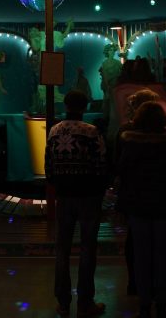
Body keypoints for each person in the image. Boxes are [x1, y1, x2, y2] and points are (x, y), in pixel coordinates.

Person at [45, 90, 108, 317]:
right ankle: (85, 302)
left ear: (66, 104)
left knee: (62, 248)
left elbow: (49, 168)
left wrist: (60, 185)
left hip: (64, 196)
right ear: (85, 106)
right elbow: (101, 165)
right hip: (89, 197)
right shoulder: (91, 132)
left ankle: (63, 302)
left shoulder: (54, 131)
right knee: (87, 248)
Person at [117, 102, 166, 318]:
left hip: (138, 206)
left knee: (142, 256)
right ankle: (161, 304)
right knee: (162, 256)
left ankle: (144, 304)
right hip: (163, 204)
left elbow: (123, 174)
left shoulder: (132, 144)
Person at [114, 88, 161, 296]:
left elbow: (118, 165)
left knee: (133, 239)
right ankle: (155, 285)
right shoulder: (162, 134)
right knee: (157, 241)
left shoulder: (124, 132)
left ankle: (135, 281)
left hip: (132, 194)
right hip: (158, 194)